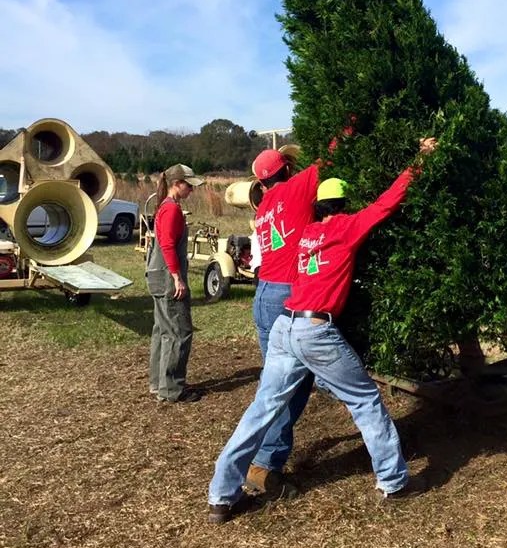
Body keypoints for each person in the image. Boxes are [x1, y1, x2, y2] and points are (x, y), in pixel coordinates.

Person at [207, 137, 437, 523]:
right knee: (365, 401)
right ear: (343, 205)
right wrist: (418, 161)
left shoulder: (301, 234)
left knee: (262, 408)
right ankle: (394, 482)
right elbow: (385, 203)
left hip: (284, 324)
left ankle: (221, 494)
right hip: (315, 329)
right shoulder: (346, 228)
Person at [243, 147, 324, 495]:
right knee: (289, 385)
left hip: (263, 295)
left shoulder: (263, 208)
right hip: (286, 296)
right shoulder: (297, 188)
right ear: (287, 169)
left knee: (274, 382)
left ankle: (259, 456)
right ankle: (264, 465)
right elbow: (330, 156)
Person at [146, 163, 205, 404]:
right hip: (168, 278)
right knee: (179, 332)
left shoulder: (164, 207)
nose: (191, 189)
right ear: (175, 184)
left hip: (156, 275)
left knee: (162, 330)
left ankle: (158, 382)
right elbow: (168, 245)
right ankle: (171, 389)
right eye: (188, 185)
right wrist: (177, 277)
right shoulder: (171, 210)